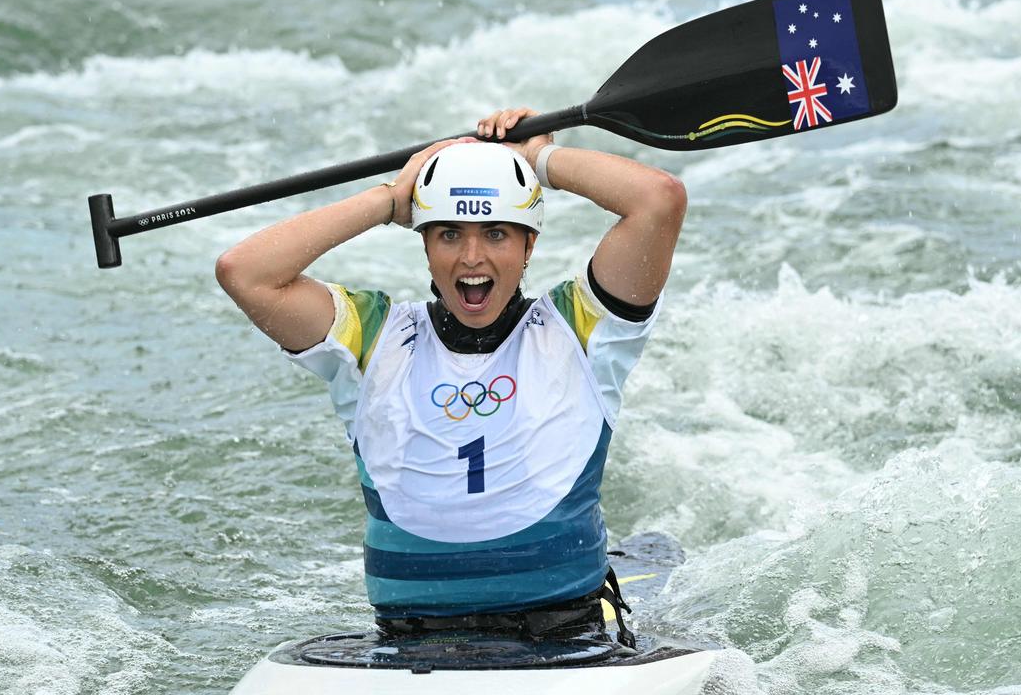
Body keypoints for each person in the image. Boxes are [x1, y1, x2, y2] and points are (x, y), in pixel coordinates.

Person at [216, 107, 686, 646]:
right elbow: (244, 273)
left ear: (529, 245)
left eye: (495, 234)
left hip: (564, 635)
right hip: (405, 640)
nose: (471, 257)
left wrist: (536, 158)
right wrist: (389, 199)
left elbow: (658, 201)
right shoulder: (370, 338)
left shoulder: (580, 331)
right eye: (447, 234)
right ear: (423, 244)